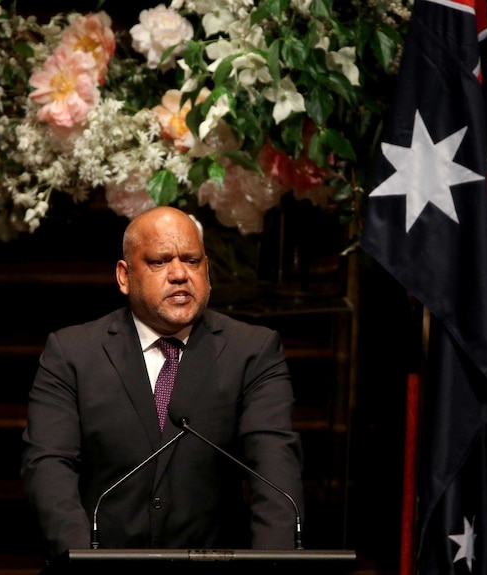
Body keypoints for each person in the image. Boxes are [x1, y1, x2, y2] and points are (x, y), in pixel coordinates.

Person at [21, 205, 305, 564]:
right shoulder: (72, 354)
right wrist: (81, 562)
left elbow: (274, 470)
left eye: (192, 261)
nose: (179, 275)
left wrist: (271, 567)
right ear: (124, 276)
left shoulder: (253, 351)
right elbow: (48, 468)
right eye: (159, 261)